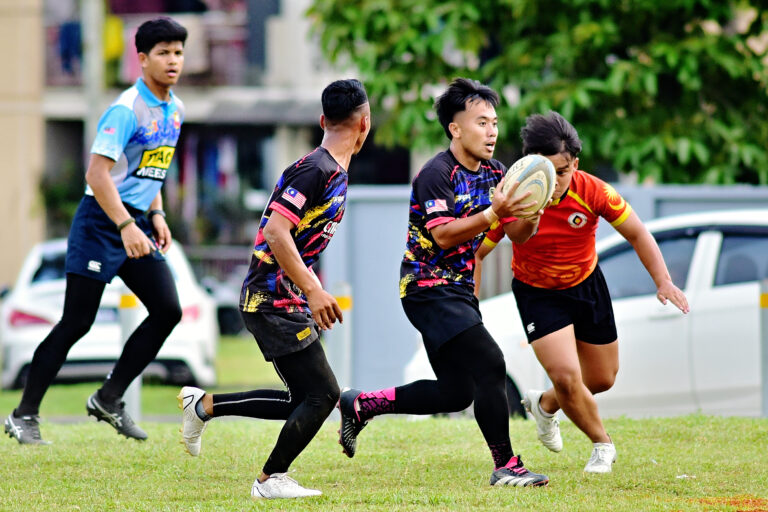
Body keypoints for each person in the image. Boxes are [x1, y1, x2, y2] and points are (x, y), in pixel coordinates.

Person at [336, 78, 550, 488]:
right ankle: (506, 465)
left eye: (494, 123)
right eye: (481, 123)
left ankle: (362, 404)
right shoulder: (436, 174)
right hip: (426, 288)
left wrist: (533, 212)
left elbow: (518, 233)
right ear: (455, 128)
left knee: (456, 393)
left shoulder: (496, 173)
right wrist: (494, 213)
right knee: (491, 363)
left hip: (458, 291)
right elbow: (443, 234)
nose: (491, 131)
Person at [177, 79, 372, 500]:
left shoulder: (331, 170)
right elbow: (276, 231)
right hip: (270, 298)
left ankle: (203, 407)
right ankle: (270, 480)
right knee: (323, 395)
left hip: (283, 297)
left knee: (302, 399)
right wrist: (314, 289)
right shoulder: (315, 169)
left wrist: (307, 291)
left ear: (322, 120)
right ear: (365, 123)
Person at [4, 17, 188, 445]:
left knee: (168, 310)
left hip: (136, 221)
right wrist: (125, 225)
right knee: (77, 322)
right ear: (142, 59)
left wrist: (157, 215)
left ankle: (108, 398)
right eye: (163, 53)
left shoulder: (175, 109)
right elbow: (97, 174)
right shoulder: (126, 109)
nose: (173, 60)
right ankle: (23, 415)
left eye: (178, 52)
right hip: (101, 223)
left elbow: (150, 168)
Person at [474, 111, 690, 473]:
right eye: (545, 171)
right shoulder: (513, 195)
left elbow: (637, 233)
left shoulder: (594, 191)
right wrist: (471, 305)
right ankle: (602, 445)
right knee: (565, 376)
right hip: (538, 292)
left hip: (586, 285)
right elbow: (482, 250)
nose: (554, 181)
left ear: (575, 164)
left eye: (561, 172)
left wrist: (663, 280)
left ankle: (545, 404)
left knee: (602, 379)